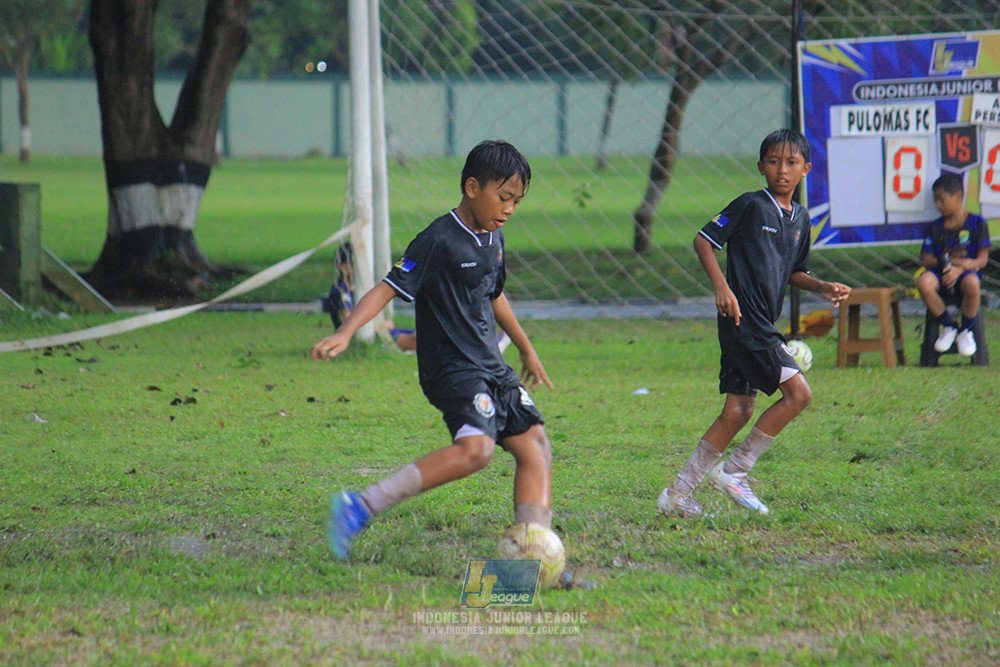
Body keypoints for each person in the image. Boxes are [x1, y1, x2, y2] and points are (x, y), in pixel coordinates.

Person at [312, 140, 555, 562]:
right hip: (452, 369)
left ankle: (531, 561)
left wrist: (526, 349)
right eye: (504, 198)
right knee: (476, 451)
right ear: (472, 186)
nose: (509, 209)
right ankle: (361, 505)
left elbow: (495, 296)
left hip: (491, 366)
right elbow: (389, 287)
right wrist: (348, 331)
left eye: (517, 201)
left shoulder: (493, 239)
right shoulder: (438, 239)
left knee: (536, 447)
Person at [658, 128, 851, 518]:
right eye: (775, 162)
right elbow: (703, 240)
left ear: (806, 170)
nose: (783, 170)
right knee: (799, 396)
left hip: (760, 321)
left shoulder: (801, 218)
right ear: (761, 166)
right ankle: (735, 471)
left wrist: (821, 286)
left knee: (739, 411)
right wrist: (721, 288)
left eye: (791, 163)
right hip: (744, 320)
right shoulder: (750, 205)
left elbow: (795, 271)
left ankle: (677, 494)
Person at [325, 241, 509, 354]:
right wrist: (376, 326)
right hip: (362, 337)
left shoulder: (356, 288)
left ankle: (480, 346)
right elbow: (346, 318)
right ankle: (481, 348)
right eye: (356, 264)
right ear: (344, 267)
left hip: (376, 332)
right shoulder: (340, 291)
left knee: (421, 335)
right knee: (417, 339)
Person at [915, 172, 991, 357]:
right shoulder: (936, 227)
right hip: (940, 272)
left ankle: (966, 330)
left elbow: (982, 260)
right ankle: (949, 326)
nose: (938, 205)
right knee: (923, 282)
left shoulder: (977, 224)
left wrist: (961, 269)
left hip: (966, 274)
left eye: (941, 199)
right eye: (935, 200)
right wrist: (949, 264)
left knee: (973, 284)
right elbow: (926, 258)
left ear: (958, 196)